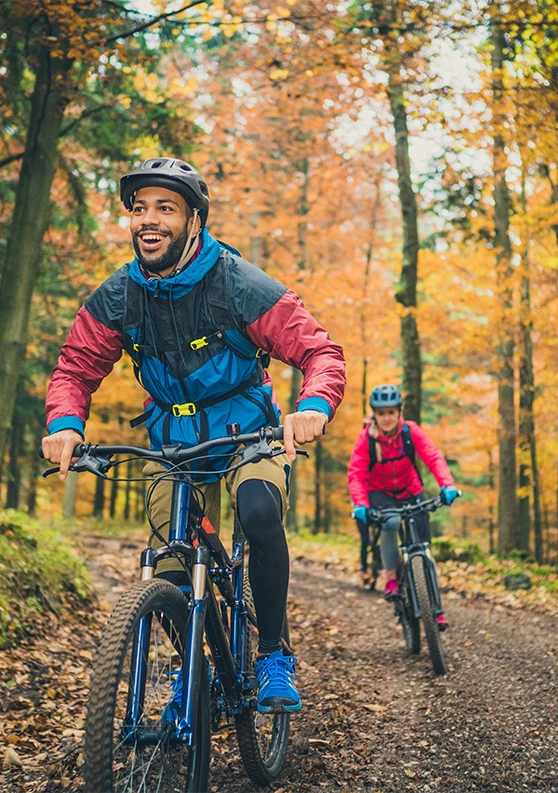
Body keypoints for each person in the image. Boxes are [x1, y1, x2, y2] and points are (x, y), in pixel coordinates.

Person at [42, 157, 346, 713]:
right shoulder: (119, 296)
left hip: (247, 433)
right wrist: (65, 424)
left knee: (257, 512)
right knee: (170, 563)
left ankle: (273, 655)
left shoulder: (236, 282)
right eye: (139, 210)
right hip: (171, 441)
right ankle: (195, 668)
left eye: (165, 208)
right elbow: (75, 369)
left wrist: (313, 406)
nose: (148, 220)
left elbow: (319, 351)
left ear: (195, 221)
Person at [348, 384, 458, 630]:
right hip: (381, 493)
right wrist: (361, 504)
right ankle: (391, 580)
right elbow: (356, 473)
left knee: (424, 546)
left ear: (399, 412)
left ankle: (434, 608)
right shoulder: (367, 438)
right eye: (381, 412)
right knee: (392, 522)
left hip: (411, 490)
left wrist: (447, 485)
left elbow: (432, 456)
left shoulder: (411, 431)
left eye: (391, 412)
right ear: (374, 414)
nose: (386, 418)